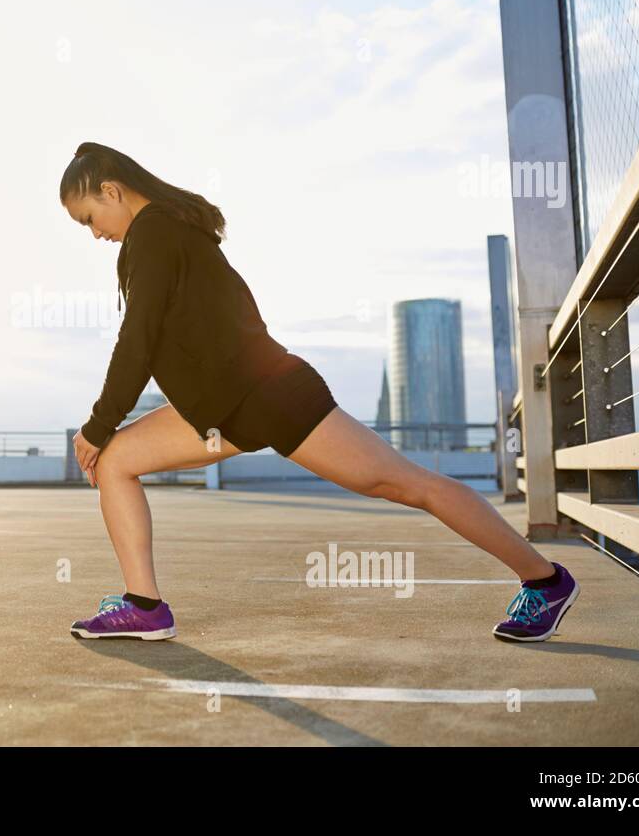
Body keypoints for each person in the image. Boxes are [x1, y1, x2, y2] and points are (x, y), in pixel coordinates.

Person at [60, 141, 579, 643]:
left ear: (111, 190)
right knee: (116, 462)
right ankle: (145, 607)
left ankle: (546, 581)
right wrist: (110, 429)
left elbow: (138, 339)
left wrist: (99, 424)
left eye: (88, 219)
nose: (94, 233)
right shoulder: (168, 230)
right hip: (230, 406)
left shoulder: (153, 232)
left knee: (406, 485)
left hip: (269, 398)